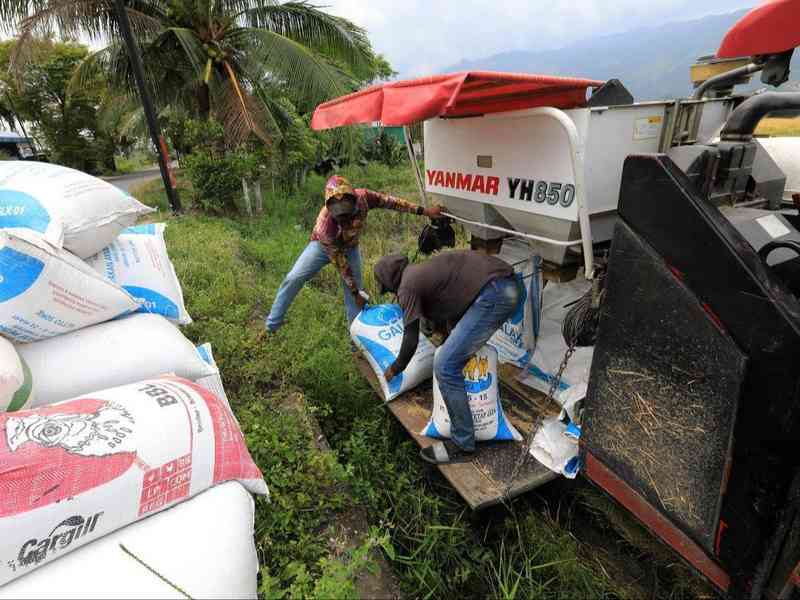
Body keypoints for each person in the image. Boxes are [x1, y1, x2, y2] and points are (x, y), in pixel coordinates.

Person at [373, 250, 520, 465]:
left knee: (445, 366)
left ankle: (463, 444)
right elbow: (452, 305)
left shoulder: (407, 287)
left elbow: (411, 339)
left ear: (390, 282)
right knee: (451, 353)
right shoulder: (420, 272)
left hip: (494, 293)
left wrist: (395, 368)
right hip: (504, 284)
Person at [265, 175, 440, 333]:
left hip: (350, 248)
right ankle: (272, 325)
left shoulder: (364, 197)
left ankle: (358, 343)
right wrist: (356, 292)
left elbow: (393, 202)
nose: (344, 218)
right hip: (322, 247)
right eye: (339, 216)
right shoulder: (324, 225)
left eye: (346, 211)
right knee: (294, 277)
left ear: (353, 199)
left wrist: (424, 211)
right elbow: (340, 263)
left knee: (354, 299)